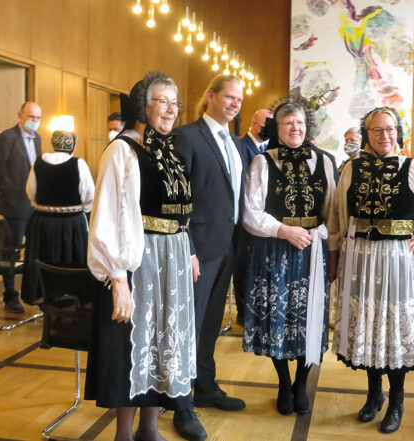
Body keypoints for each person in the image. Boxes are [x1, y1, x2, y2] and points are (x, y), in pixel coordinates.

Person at [328, 107, 414, 433]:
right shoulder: (351, 168)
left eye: (389, 129)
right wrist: (340, 251)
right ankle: (374, 395)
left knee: (393, 326)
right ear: (366, 133)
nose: (384, 136)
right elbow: (339, 213)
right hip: (360, 258)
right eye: (376, 130)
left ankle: (397, 401)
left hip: (397, 259)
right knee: (369, 328)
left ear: (398, 133)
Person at [86, 71, 197, 441]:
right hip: (140, 261)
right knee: (134, 345)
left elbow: (179, 212)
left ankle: (150, 429)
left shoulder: (168, 150)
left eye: (174, 102)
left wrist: (188, 250)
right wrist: (118, 279)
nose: (170, 109)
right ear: (141, 107)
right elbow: (107, 218)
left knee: (164, 342)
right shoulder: (122, 149)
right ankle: (124, 434)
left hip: (174, 261)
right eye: (161, 101)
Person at [242, 102, 337, 415]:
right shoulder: (262, 162)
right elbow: (250, 212)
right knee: (277, 319)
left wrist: (319, 234)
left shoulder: (325, 160)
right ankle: (283, 382)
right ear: (277, 129)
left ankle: (301, 382)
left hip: (313, 250)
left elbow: (334, 210)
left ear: (306, 127)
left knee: (310, 319)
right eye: (287, 123)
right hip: (274, 250)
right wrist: (284, 231)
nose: (295, 128)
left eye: (299, 123)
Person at [171, 74, 246, 441]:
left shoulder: (233, 142)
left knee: (210, 322)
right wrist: (187, 249)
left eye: (239, 100)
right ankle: (181, 405)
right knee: (190, 324)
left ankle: (206, 386)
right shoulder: (187, 136)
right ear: (210, 95)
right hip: (197, 251)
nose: (235, 103)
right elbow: (176, 199)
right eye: (229, 97)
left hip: (226, 247)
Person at [21, 130, 94, 305]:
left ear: (53, 144)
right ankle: (71, 299)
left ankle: (43, 298)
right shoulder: (79, 163)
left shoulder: (38, 162)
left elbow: (31, 192)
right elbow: (89, 196)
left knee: (44, 260)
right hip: (71, 224)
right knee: (70, 261)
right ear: (73, 146)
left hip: (42, 223)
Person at [0, 102, 42, 313]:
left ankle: (32, 293)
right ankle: (10, 295)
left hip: (35, 205)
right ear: (20, 115)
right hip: (14, 205)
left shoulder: (38, 138)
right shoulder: (7, 137)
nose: (34, 121)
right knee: (12, 251)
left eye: (37, 118)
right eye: (31, 117)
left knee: (34, 250)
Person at [234, 108, 272, 326]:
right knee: (243, 266)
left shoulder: (269, 149)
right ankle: (243, 312)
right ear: (254, 124)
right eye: (266, 123)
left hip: (263, 217)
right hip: (242, 217)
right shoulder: (241, 146)